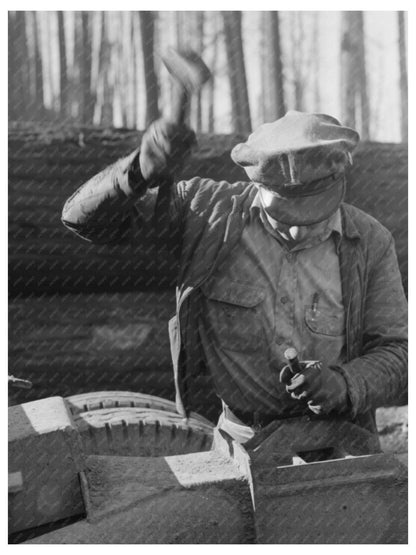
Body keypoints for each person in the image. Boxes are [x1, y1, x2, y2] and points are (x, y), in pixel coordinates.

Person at [62, 111, 407, 446]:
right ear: (257, 185)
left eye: (316, 211)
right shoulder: (205, 216)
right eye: (285, 213)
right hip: (242, 444)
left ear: (339, 184)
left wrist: (344, 384)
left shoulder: (369, 243)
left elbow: (400, 352)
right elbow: (81, 220)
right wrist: (138, 170)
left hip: (340, 446)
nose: (299, 226)